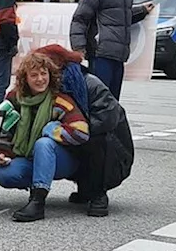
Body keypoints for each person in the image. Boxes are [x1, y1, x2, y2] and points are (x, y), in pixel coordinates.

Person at [34, 44, 132, 217]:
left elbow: (107, 119)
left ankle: (98, 194)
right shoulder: (49, 87)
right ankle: (83, 188)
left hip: (113, 153)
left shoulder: (89, 83)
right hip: (77, 141)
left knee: (93, 139)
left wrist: (73, 129)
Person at [0, 53, 92, 222]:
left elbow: (82, 132)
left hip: (62, 161)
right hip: (30, 157)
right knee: (5, 174)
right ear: (25, 79)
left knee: (44, 143)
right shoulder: (14, 98)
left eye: (44, 73)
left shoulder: (60, 100)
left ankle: (37, 201)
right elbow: (0, 127)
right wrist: (2, 152)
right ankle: (39, 178)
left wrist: (53, 130)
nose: (40, 79)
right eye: (34, 75)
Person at [70, 0, 155, 100]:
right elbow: (80, 19)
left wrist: (142, 11)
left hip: (119, 56)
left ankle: (111, 123)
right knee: (99, 99)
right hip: (100, 54)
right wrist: (78, 47)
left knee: (112, 101)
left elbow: (122, 17)